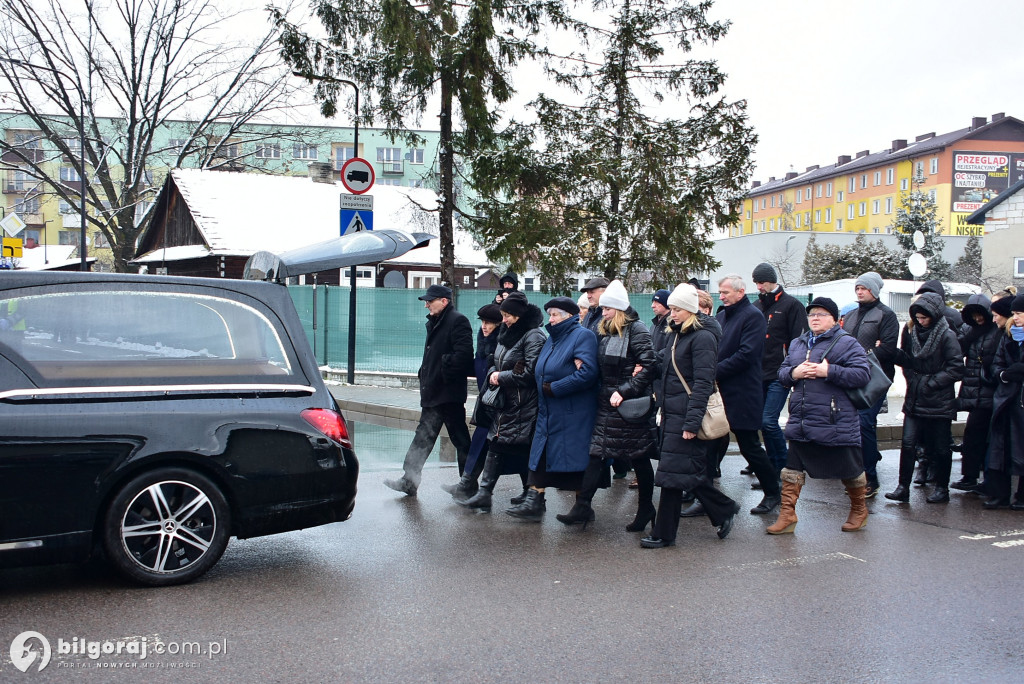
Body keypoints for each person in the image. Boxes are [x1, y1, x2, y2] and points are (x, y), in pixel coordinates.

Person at [642, 283, 740, 548]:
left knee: (674, 475)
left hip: (686, 416)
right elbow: (662, 360)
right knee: (681, 473)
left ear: (690, 310)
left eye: (677, 309)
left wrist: (691, 423)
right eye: (671, 308)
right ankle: (723, 509)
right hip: (673, 413)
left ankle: (664, 534)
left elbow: (703, 384)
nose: (672, 313)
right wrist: (641, 365)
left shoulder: (703, 337)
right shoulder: (678, 333)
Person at [557, 280, 659, 531]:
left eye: (607, 309)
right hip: (606, 404)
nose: (601, 313)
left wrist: (624, 391)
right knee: (595, 455)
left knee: (640, 458)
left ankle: (646, 508)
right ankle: (582, 506)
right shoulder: (606, 330)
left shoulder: (637, 330)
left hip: (629, 407)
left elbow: (648, 366)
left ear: (619, 309)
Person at [767, 297, 871, 534]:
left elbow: (862, 375)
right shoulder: (798, 343)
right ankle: (787, 515)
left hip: (835, 419)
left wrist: (829, 370)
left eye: (821, 314)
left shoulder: (847, 343)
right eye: (812, 314)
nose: (815, 318)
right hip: (802, 418)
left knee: (851, 469)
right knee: (792, 468)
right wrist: (795, 372)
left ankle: (859, 509)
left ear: (834, 319)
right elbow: (782, 373)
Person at [506, 297, 599, 521]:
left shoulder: (582, 336)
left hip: (571, 411)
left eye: (555, 314)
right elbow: (545, 365)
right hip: (549, 410)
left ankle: (582, 507)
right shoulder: (553, 338)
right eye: (549, 314)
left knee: (573, 460)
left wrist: (556, 388)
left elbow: (588, 373)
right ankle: (534, 501)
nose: (551, 319)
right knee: (541, 454)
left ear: (569, 315)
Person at [458, 293, 545, 511]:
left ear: (519, 315)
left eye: (507, 315)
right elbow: (497, 359)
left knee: (517, 447)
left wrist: (501, 376)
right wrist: (494, 371)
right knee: (497, 444)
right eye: (503, 315)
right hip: (506, 402)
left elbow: (530, 372)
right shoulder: (509, 332)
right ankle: (487, 493)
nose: (503, 320)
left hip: (524, 404)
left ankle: (531, 497)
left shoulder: (533, 335)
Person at [385, 284, 474, 496]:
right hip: (434, 391)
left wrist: (441, 371)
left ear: (444, 301)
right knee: (423, 437)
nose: (426, 305)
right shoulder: (436, 322)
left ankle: (469, 485)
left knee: (460, 440)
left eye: (430, 301)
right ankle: (410, 480)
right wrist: (424, 373)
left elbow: (464, 357)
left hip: (448, 394)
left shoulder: (457, 321)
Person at [709, 274, 781, 514]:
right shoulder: (720, 316)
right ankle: (706, 496)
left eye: (726, 292)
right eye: (720, 293)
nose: (721, 297)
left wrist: (714, 371)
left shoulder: (753, 317)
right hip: (720, 392)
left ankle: (773, 492)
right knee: (711, 445)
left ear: (740, 293)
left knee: (749, 446)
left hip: (743, 391)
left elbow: (746, 354)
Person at [884, 292, 964, 504]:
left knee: (940, 447)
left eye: (924, 317)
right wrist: (894, 355)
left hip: (939, 400)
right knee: (908, 443)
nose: (920, 321)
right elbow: (909, 361)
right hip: (915, 397)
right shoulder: (910, 331)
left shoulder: (947, 335)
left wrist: (931, 383)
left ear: (935, 315)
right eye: (917, 317)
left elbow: (956, 368)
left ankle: (941, 488)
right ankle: (903, 487)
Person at [840, 272, 900, 498]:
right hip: (850, 376)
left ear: (874, 290)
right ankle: (858, 471)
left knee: (864, 421)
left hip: (875, 378)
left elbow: (889, 349)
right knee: (852, 424)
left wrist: (864, 354)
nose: (859, 291)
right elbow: (842, 343)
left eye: (864, 288)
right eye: (857, 287)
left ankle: (870, 478)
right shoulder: (852, 315)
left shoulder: (886, 315)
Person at [751, 262, 808, 474]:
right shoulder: (757, 306)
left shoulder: (792, 305)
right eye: (756, 282)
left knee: (769, 421)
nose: (758, 287)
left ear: (771, 281)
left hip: (780, 373)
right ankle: (773, 469)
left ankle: (786, 466)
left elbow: (799, 340)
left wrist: (793, 370)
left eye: (761, 282)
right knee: (762, 423)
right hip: (758, 373)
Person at [443, 304, 502, 499]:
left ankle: (533, 491)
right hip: (487, 404)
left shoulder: (501, 346)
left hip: (501, 406)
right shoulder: (482, 345)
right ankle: (469, 484)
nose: (484, 327)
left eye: (489, 323)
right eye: (483, 322)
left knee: (509, 451)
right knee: (481, 444)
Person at [950, 294, 1002, 494]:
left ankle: (981, 478)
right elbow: (957, 351)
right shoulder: (970, 332)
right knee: (973, 436)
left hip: (988, 390)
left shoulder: (996, 332)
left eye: (981, 315)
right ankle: (970, 476)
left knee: (983, 437)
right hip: (975, 390)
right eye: (974, 315)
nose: (978, 319)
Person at [984, 294, 1024, 509]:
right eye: (1014, 313)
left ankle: (1022, 496)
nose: (1015, 317)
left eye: (1019, 313)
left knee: (1021, 447)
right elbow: (997, 363)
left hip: (1021, 400)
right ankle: (999, 494)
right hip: (1005, 398)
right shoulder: (1008, 336)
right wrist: (1002, 375)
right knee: (1000, 446)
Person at [649, 289, 672, 355]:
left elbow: (670, 349)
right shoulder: (654, 325)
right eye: (653, 302)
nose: (652, 306)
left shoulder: (673, 325)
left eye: (657, 302)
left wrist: (653, 357)